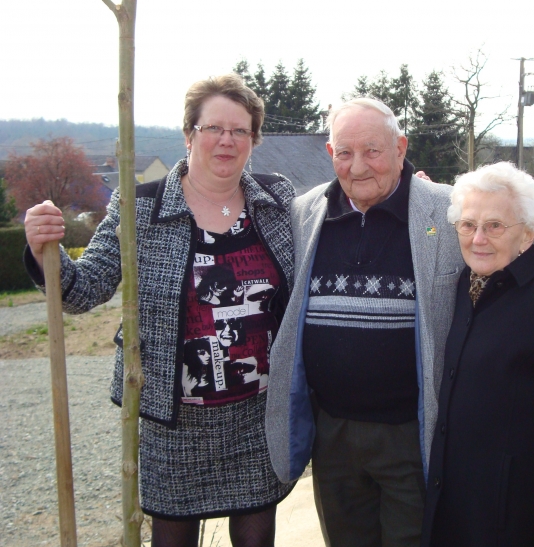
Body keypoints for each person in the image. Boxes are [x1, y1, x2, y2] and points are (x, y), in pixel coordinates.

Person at [24, 74, 295, 547]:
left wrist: (409, 186)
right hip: (174, 420)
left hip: (257, 413)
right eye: (214, 128)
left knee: (257, 538)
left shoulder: (277, 199)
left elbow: (329, 231)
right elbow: (82, 291)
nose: (227, 140)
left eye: (240, 130)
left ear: (254, 139)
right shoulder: (139, 208)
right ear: (189, 134)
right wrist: (43, 250)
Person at [265, 97, 464, 547]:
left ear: (400, 147)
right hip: (332, 434)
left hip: (411, 433)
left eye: (372, 151)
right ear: (330, 154)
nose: (358, 167)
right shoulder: (303, 213)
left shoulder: (448, 212)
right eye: (345, 153)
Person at [421, 162, 534, 547]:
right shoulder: (471, 283)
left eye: (495, 226)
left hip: (511, 523)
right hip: (453, 509)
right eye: (468, 225)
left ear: (528, 234)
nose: (478, 238)